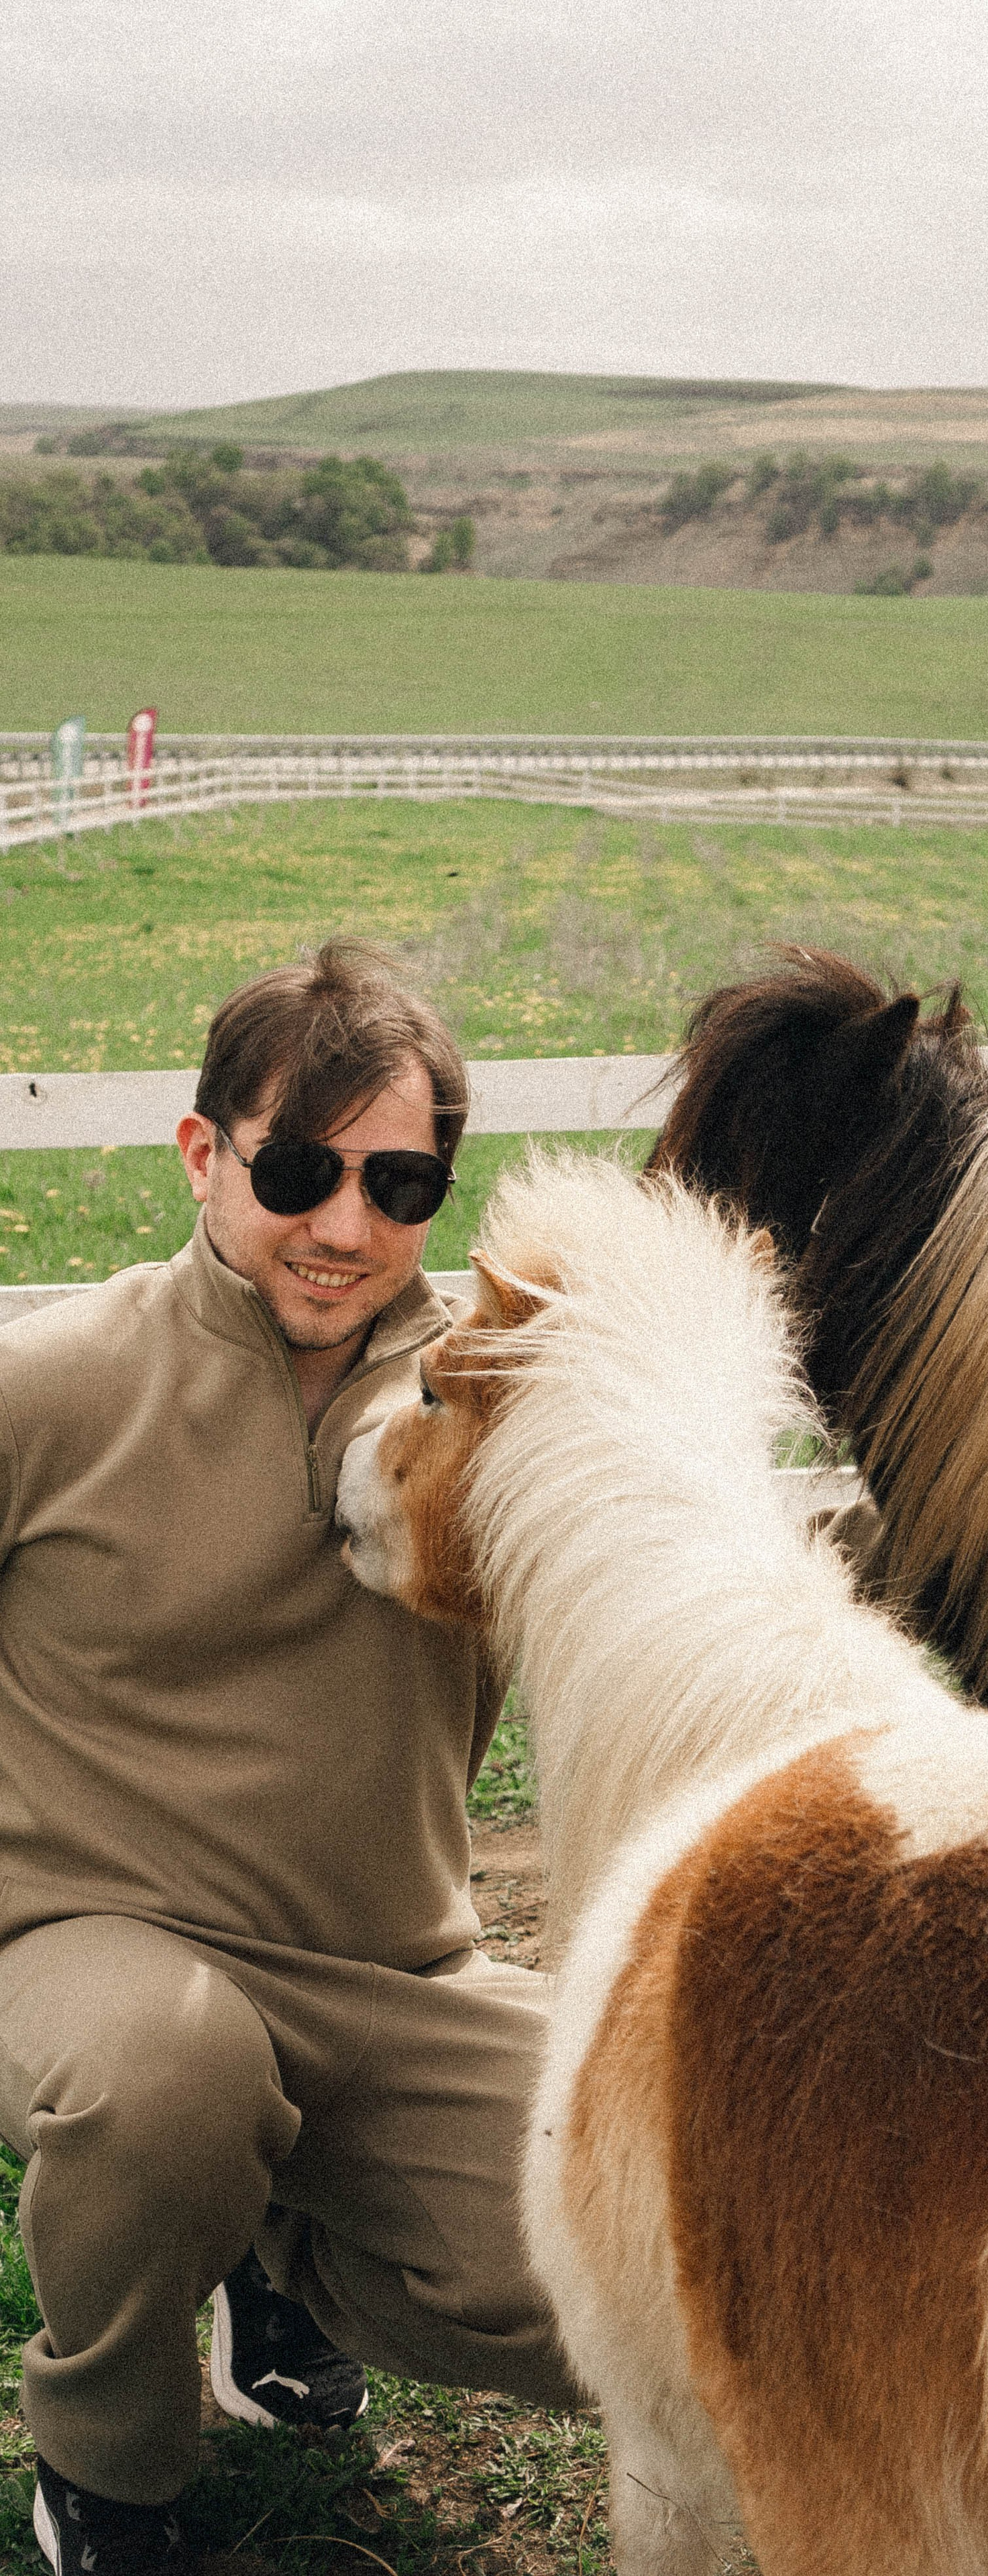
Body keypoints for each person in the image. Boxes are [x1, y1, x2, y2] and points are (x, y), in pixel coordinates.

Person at [0, 941, 584, 2574]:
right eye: (297, 1168)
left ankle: (284, 2239)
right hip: (93, 1953)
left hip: (398, 1974)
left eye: (400, 1181)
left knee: (661, 2231)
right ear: (203, 1153)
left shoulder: (503, 1395)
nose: (346, 1224)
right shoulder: (46, 1389)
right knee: (166, 2078)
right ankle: (107, 2482)